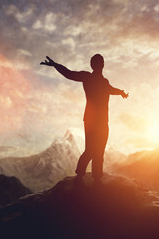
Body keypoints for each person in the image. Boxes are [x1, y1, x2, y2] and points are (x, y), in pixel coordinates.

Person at [41, 54, 128, 182]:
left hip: (99, 120)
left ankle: (94, 176)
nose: (99, 66)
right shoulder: (88, 77)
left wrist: (120, 92)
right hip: (94, 121)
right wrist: (55, 65)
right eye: (98, 63)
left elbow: (111, 89)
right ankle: (84, 174)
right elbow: (69, 74)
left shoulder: (102, 82)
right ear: (100, 65)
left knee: (98, 150)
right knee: (93, 150)